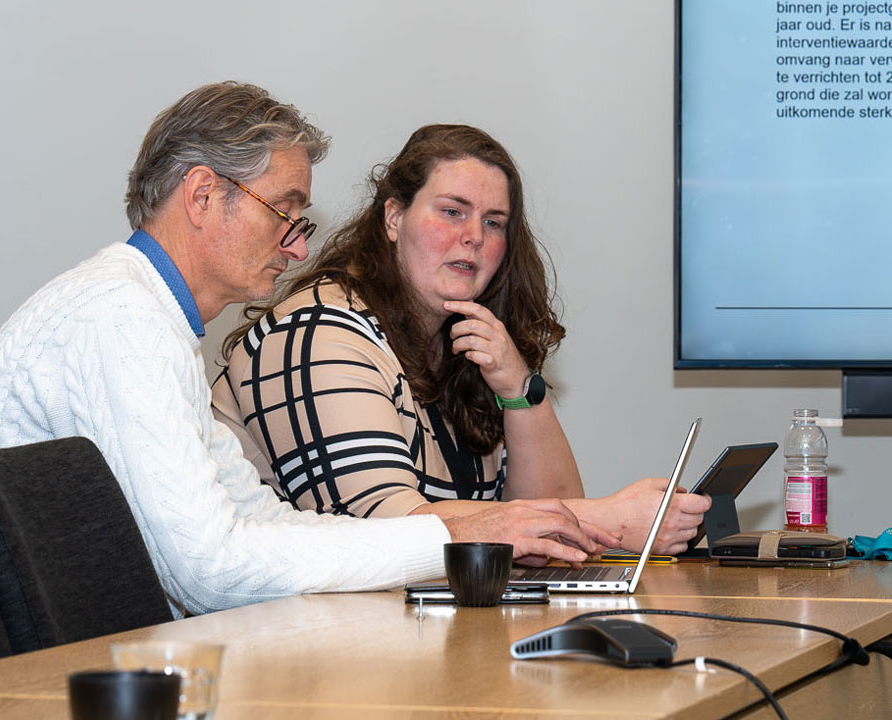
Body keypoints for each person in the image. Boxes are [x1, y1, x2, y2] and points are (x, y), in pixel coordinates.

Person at [0, 84, 608, 617]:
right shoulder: (122, 320)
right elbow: (211, 574)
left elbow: (259, 520)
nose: (298, 246)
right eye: (285, 212)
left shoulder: (148, 318)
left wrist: (458, 536)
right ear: (205, 196)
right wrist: (447, 539)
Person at [212, 123, 709, 555]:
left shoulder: (464, 347)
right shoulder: (321, 332)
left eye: (494, 222)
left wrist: (518, 387)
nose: (474, 235)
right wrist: (613, 524)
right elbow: (385, 531)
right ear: (392, 218)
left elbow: (549, 519)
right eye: (452, 211)